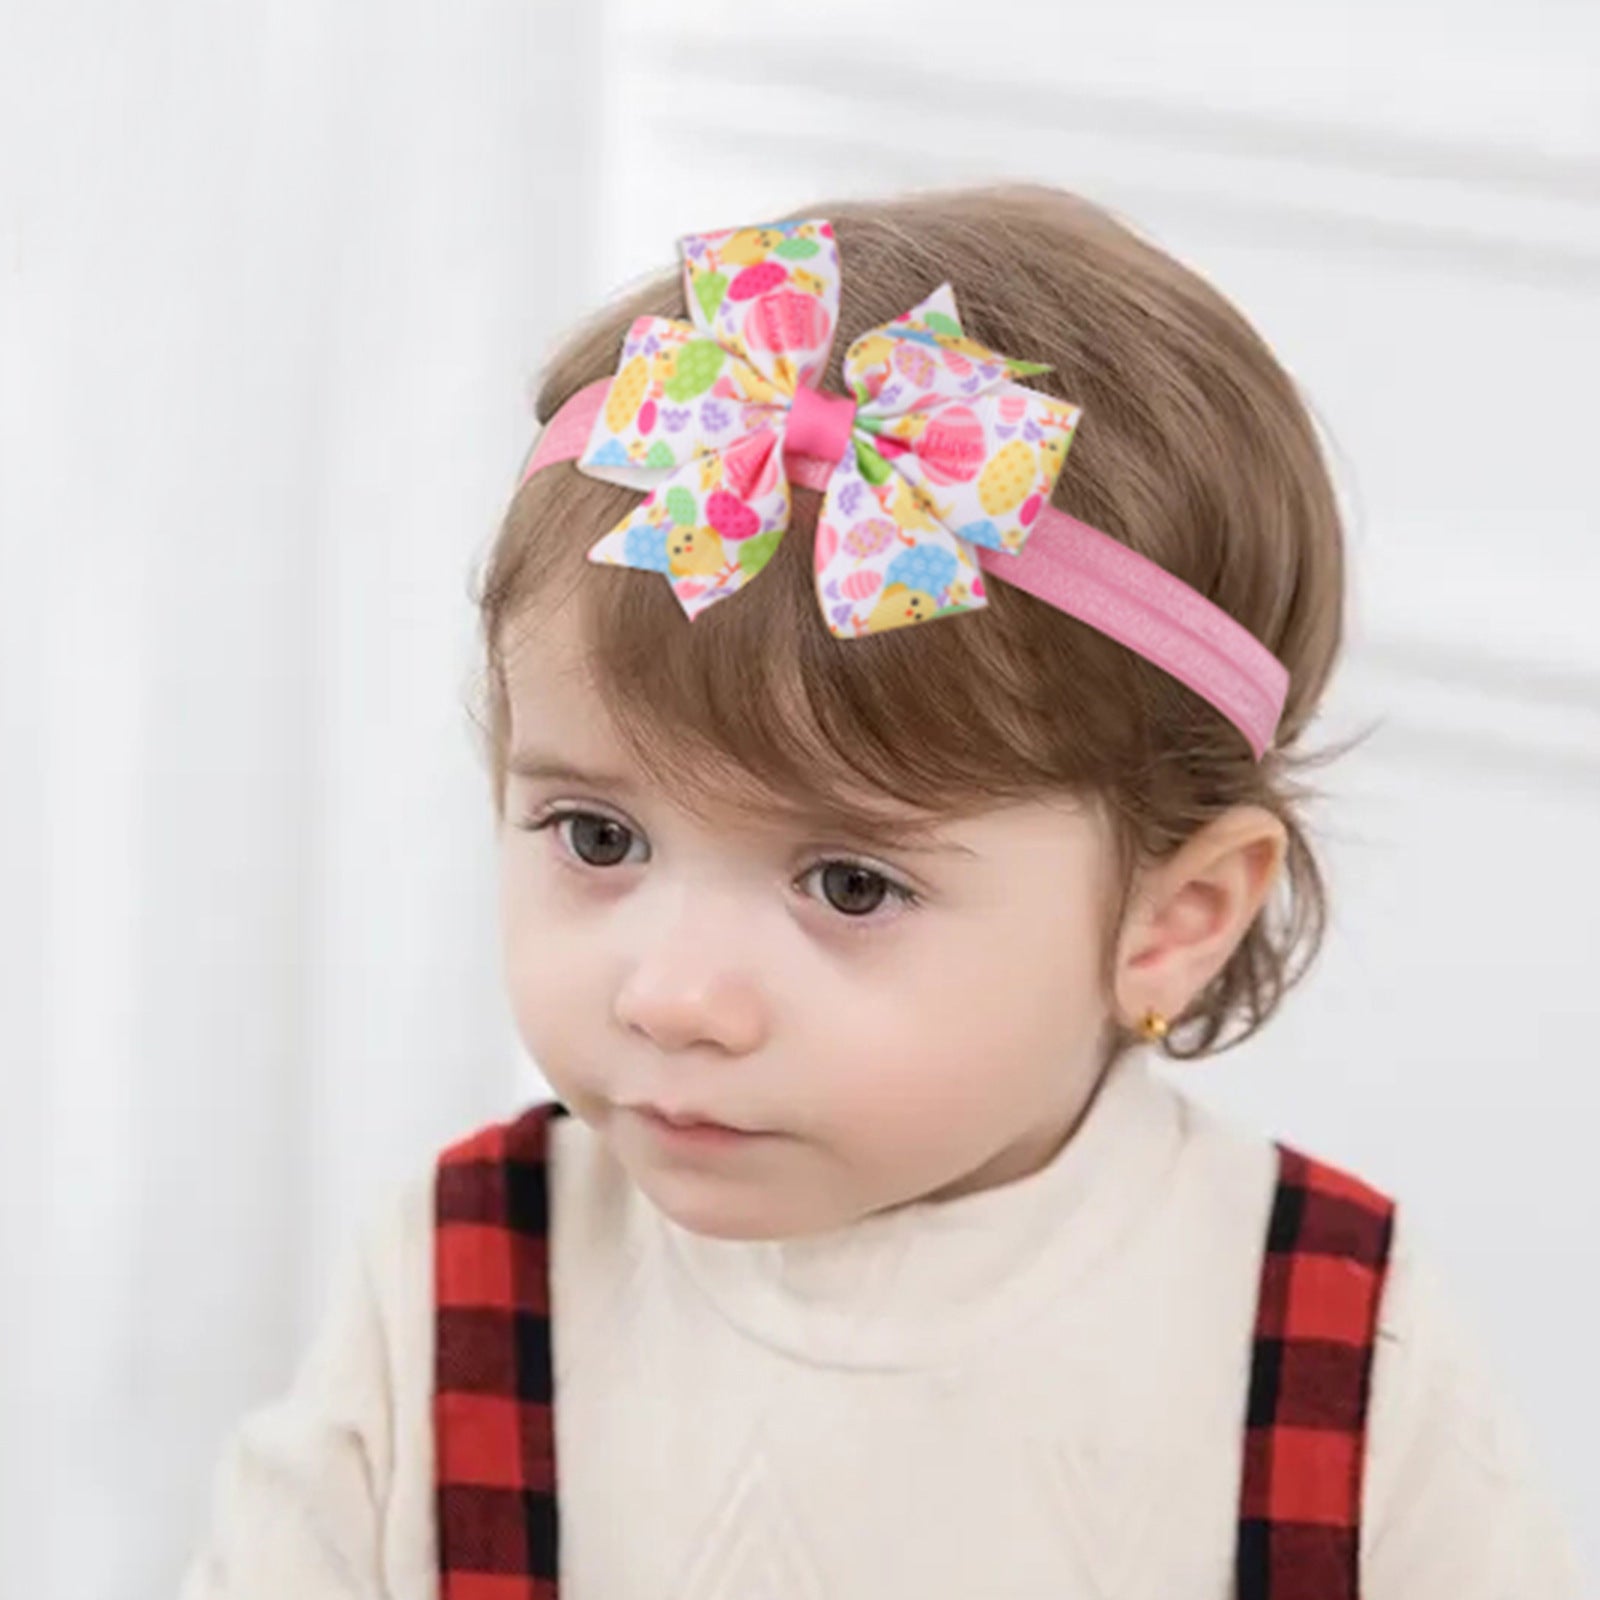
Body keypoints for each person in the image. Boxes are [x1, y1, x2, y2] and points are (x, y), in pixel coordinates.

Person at [180, 184, 1581, 1599]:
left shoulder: (1331, 1347)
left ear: (1176, 921)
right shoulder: (456, 1293)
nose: (673, 996)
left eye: (850, 882)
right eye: (598, 839)